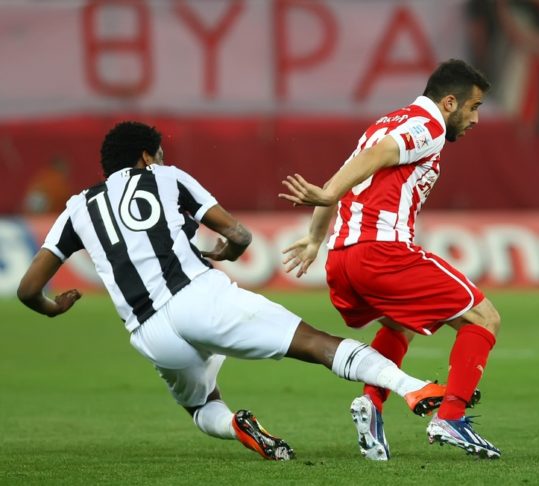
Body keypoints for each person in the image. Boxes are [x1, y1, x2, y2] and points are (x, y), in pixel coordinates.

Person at [16, 121, 447, 462]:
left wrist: (52, 307)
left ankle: (236, 426)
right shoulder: (165, 177)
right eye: (159, 154)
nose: (162, 160)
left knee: (201, 406)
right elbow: (238, 234)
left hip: (150, 332)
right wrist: (231, 250)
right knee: (316, 343)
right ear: (147, 156)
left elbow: (29, 288)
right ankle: (411, 386)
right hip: (198, 297)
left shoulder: (77, 208)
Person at [280, 59, 502, 460]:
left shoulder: (384, 123)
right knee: (484, 318)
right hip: (381, 253)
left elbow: (343, 174)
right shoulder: (428, 125)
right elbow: (378, 157)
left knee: (402, 324)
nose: (476, 119)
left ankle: (372, 400)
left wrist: (315, 238)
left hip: (342, 260)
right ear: (449, 103)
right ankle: (451, 418)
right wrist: (327, 197)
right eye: (473, 107)